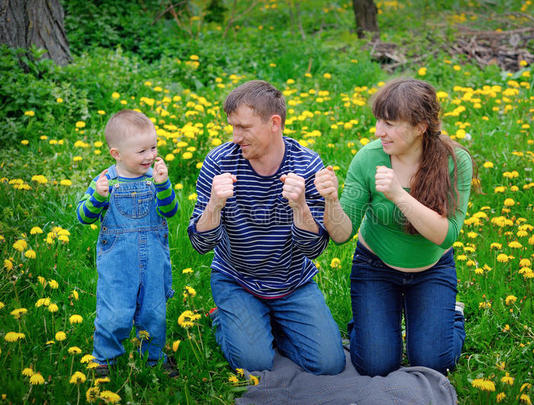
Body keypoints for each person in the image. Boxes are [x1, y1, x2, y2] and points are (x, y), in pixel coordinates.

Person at [315, 78, 473, 376]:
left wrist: (399, 195)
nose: (378, 131)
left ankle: (452, 315)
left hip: (432, 270)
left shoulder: (455, 161)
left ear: (420, 126)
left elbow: (446, 235)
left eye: (389, 123)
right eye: (378, 121)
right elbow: (340, 235)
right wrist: (332, 200)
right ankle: (369, 322)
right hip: (376, 268)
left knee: (433, 364)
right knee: (376, 364)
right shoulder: (369, 157)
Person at [188, 80, 345, 375]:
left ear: (274, 123)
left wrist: (300, 207)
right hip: (236, 279)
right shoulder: (218, 162)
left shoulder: (307, 165)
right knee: (255, 364)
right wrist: (214, 205)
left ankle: (268, 323)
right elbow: (200, 245)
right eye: (232, 127)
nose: (235, 137)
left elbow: (314, 249)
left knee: (330, 365)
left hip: (292, 284)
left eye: (244, 127)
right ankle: (224, 318)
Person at [76, 109, 178, 377]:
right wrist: (98, 197)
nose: (150, 156)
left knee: (154, 313)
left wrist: (164, 185)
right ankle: (104, 360)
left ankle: (154, 358)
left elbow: (170, 211)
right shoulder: (105, 181)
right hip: (117, 264)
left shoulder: (154, 178)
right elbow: (83, 217)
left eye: (153, 147)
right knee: (114, 314)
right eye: (141, 151)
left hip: (153, 261)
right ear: (116, 154)